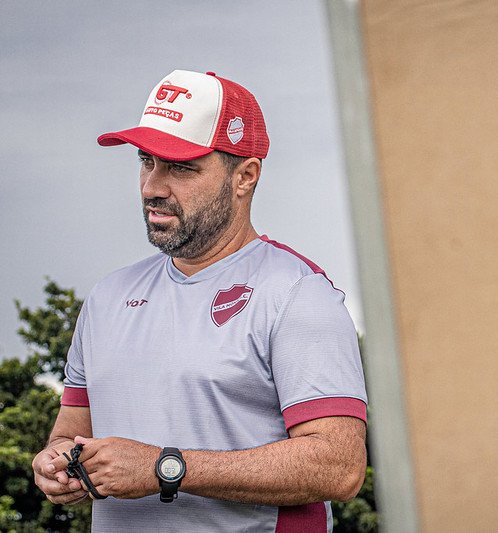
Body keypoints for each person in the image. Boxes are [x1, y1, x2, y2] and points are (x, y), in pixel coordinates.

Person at [31, 69, 368, 532]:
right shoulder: (108, 297)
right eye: (146, 161)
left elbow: (339, 466)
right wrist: (57, 464)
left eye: (181, 167)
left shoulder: (296, 293)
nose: (152, 186)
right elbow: (71, 433)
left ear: (245, 176)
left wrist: (165, 468)